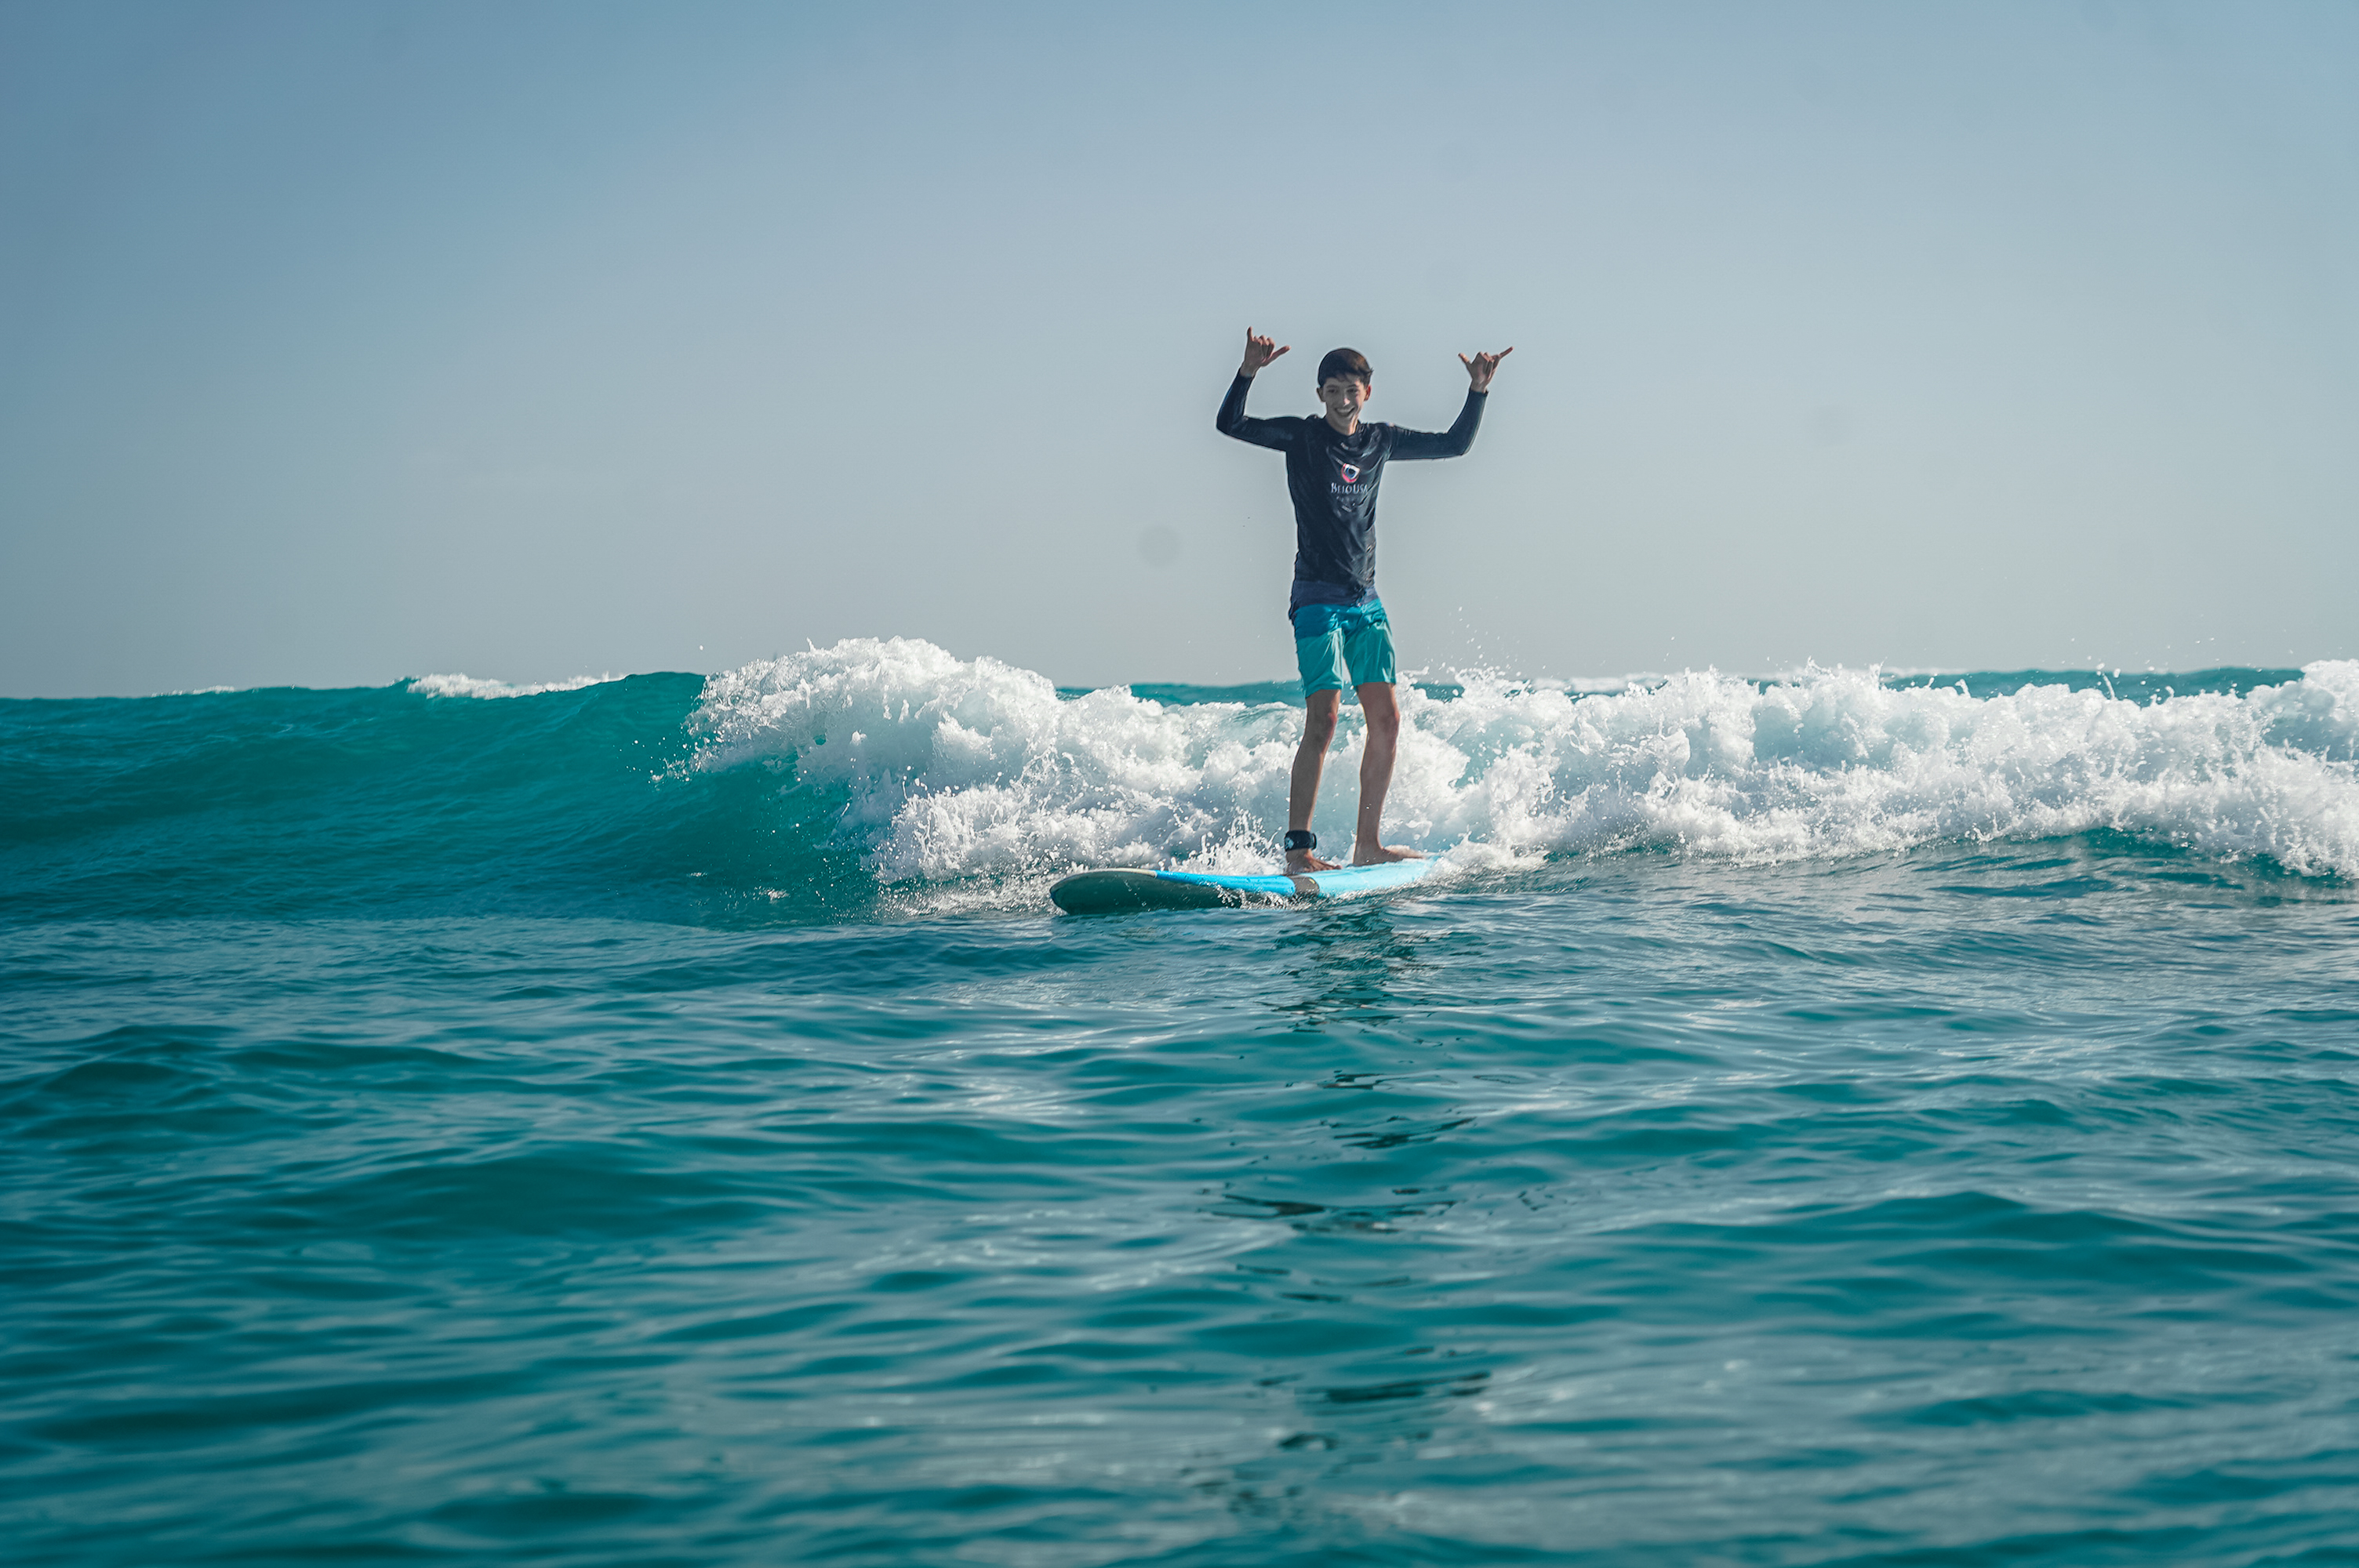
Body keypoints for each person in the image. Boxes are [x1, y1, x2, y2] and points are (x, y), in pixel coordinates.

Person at [1216, 328, 1510, 873]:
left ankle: (1367, 845)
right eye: (1333, 391)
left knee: (1388, 720)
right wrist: (1247, 373)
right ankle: (1299, 852)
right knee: (1323, 718)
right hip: (1316, 600)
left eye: (1352, 391)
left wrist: (1478, 391)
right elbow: (1230, 424)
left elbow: (1454, 444)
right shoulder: (1302, 438)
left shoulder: (1381, 439)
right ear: (1320, 394)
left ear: (1366, 394)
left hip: (1366, 602)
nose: (1343, 401)